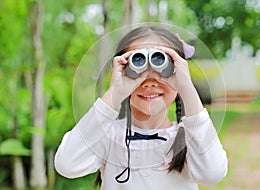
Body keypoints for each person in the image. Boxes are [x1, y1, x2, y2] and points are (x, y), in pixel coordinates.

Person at [54, 25, 228, 190]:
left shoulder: (188, 137)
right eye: (137, 64)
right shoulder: (109, 135)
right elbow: (67, 164)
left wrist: (186, 88)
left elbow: (213, 173)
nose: (150, 83)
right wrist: (115, 93)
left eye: (162, 65)